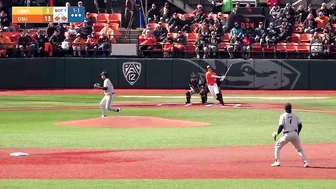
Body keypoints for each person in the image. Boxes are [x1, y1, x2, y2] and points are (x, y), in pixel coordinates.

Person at [271, 103, 309, 168]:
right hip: (295, 134)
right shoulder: (295, 116)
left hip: (287, 135)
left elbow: (281, 126)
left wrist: (277, 133)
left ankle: (277, 162)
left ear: (285, 109)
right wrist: (297, 133)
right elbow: (300, 125)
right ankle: (306, 162)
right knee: (299, 149)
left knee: (277, 146)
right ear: (291, 108)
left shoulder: (283, 116)